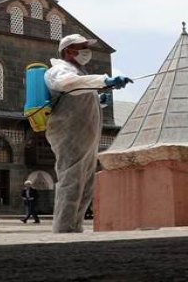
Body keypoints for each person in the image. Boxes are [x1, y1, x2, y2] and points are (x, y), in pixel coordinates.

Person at [44, 34, 132, 233]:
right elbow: (67, 84)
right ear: (68, 51)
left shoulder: (79, 72)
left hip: (84, 135)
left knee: (85, 185)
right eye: (82, 47)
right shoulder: (60, 69)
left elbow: (77, 98)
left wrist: (99, 99)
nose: (86, 51)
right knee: (71, 181)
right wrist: (104, 81)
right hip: (69, 133)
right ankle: (63, 231)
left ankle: (74, 229)